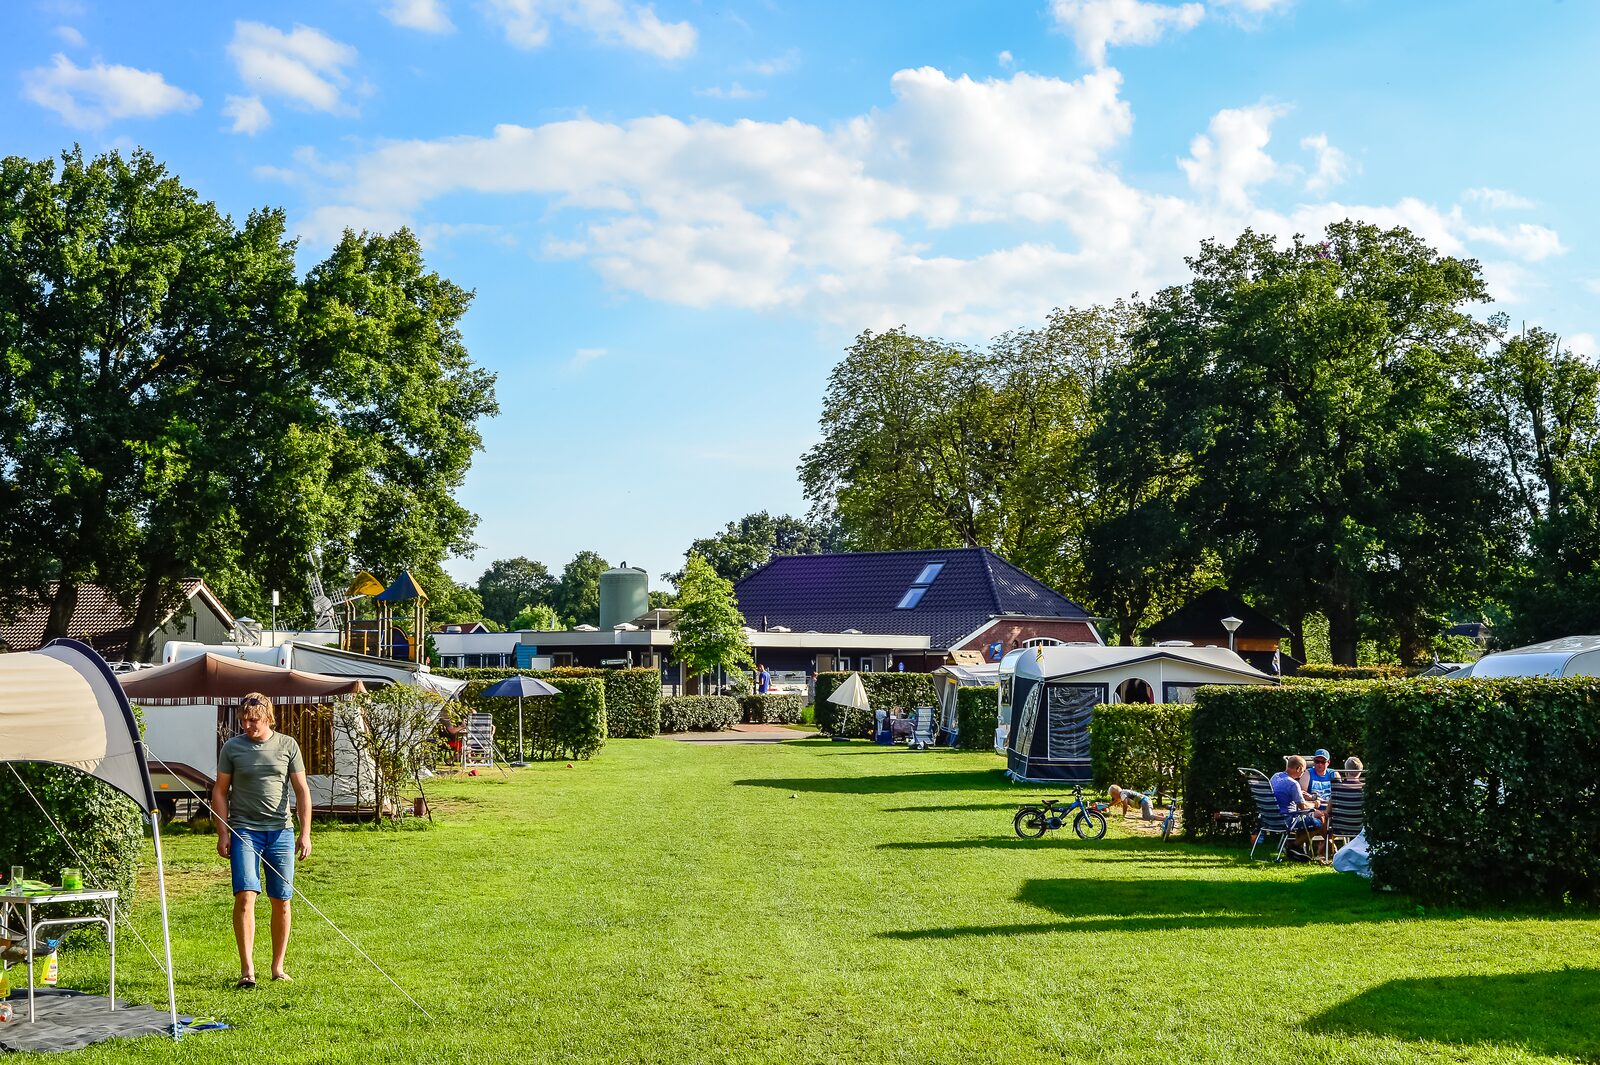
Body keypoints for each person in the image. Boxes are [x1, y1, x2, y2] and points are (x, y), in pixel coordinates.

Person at [213, 693, 312, 989]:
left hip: (280, 831)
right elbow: (219, 791)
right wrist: (223, 832)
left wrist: (304, 833)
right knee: (245, 896)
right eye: (244, 719)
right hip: (245, 831)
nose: (247, 724)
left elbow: (302, 790)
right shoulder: (232, 748)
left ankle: (278, 967)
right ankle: (247, 970)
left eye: (253, 719)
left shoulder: (287, 745)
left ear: (269, 717)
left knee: (281, 900)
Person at [1269, 754, 1322, 859]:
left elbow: (1282, 792)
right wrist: (1315, 804)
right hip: (1287, 819)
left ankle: (1297, 850)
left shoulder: (1276, 776)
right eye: (1303, 770)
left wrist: (1300, 793)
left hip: (1271, 818)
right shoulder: (1293, 784)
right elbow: (1302, 806)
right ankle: (1294, 846)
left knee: (1305, 820)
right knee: (1318, 823)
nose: (1303, 773)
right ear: (1298, 769)